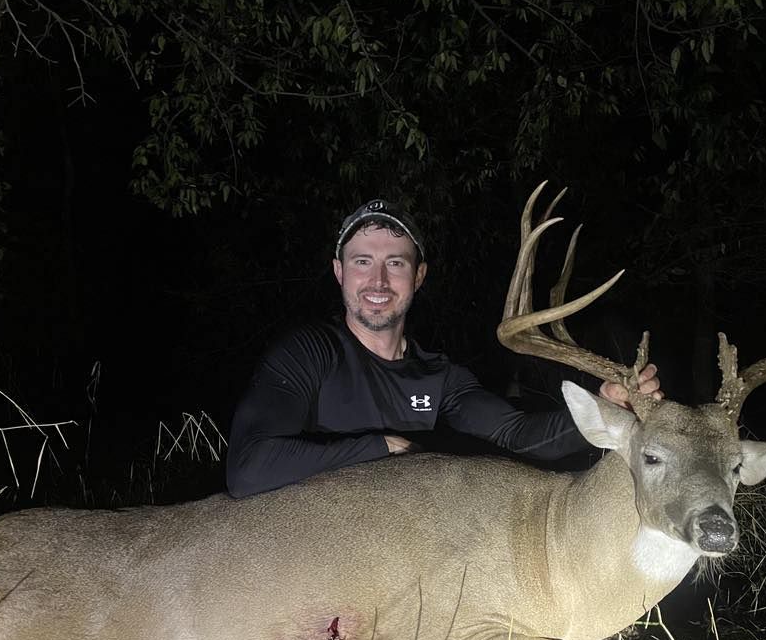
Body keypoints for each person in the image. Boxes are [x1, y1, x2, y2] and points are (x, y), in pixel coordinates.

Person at [226, 199, 661, 498]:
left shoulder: (439, 378)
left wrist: (604, 405)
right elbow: (247, 471)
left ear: (418, 276)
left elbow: (522, 437)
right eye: (362, 262)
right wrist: (382, 448)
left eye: (395, 264)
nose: (378, 282)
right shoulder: (310, 353)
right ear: (339, 272)